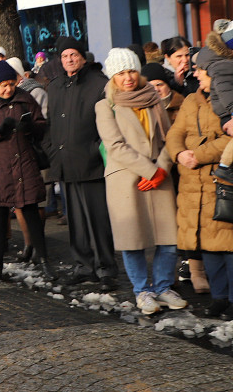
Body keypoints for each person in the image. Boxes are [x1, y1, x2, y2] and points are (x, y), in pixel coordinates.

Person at [95, 48, 186, 315]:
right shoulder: (106, 106)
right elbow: (115, 146)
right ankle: (142, 291)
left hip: (159, 175)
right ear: (113, 77)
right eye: (121, 73)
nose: (128, 78)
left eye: (132, 71)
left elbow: (169, 138)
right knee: (132, 240)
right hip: (127, 179)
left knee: (167, 238)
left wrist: (162, 168)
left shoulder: (154, 99)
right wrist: (150, 171)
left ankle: (163, 287)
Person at [0, 61, 55, 283]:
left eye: (11, 84)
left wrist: (32, 128)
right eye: (3, 85)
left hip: (24, 163)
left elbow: (41, 126)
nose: (8, 89)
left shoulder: (25, 99)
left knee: (31, 213)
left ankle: (44, 261)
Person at [44, 35, 117, 290]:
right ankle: (83, 266)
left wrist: (97, 150)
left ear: (82, 57)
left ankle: (106, 268)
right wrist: (52, 151)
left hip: (92, 164)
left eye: (73, 55)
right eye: (64, 56)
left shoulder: (98, 83)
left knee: (99, 220)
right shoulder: (54, 87)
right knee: (75, 222)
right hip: (65, 163)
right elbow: (51, 123)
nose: (69, 59)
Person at [167, 48, 233, 318]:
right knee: (208, 247)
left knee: (228, 246)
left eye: (199, 69)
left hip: (220, 183)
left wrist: (199, 155)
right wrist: (179, 153)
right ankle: (218, 298)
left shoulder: (226, 101)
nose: (195, 73)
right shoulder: (191, 100)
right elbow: (176, 133)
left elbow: (230, 138)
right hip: (192, 185)